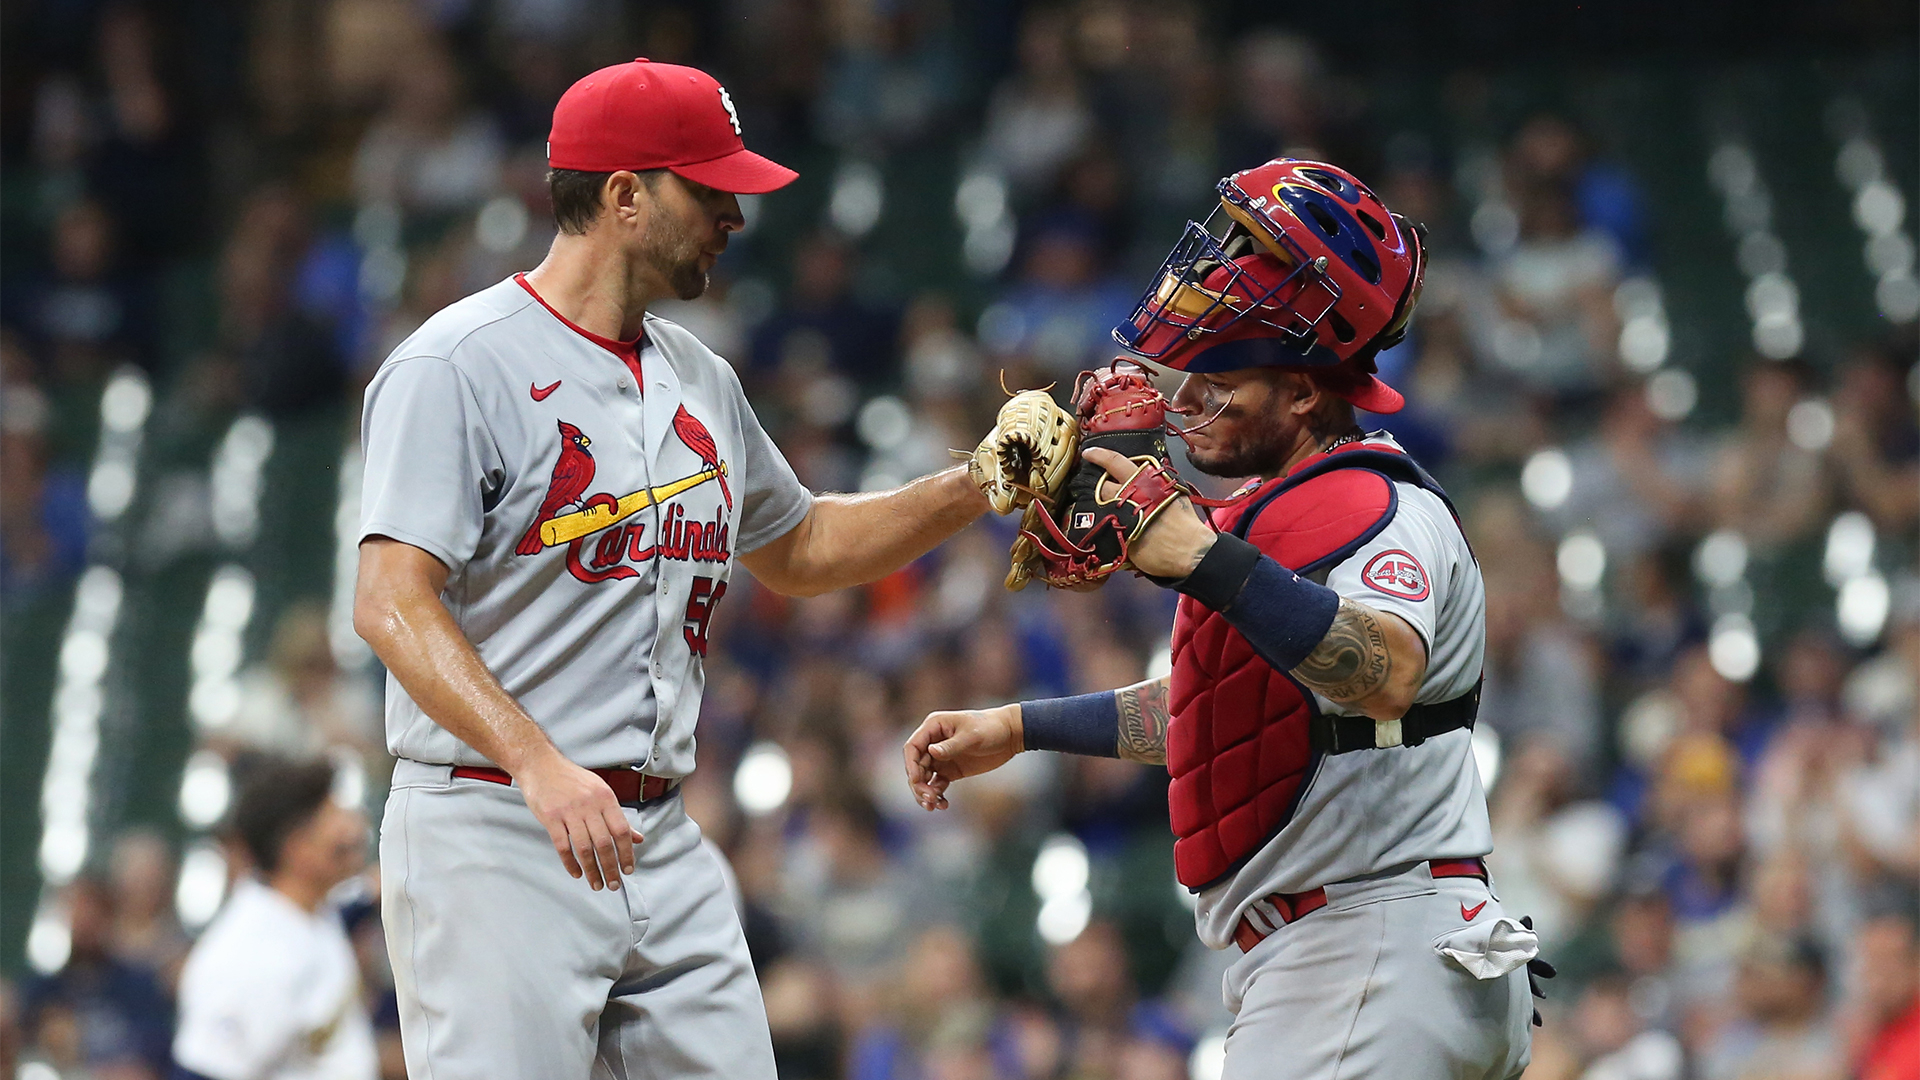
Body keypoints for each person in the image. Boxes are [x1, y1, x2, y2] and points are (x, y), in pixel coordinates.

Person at [351, 59, 1004, 1078]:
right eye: (710, 189)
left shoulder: (702, 375)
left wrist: (981, 482)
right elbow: (390, 601)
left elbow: (803, 549)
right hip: (494, 825)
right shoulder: (456, 365)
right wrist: (533, 758)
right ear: (623, 196)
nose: (734, 216)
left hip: (658, 829)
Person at [906, 159, 1540, 1079]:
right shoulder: (1282, 512)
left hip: (1368, 941)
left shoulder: (1367, 499)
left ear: (1304, 391)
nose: (1187, 399)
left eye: (1221, 375)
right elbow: (1226, 714)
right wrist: (1018, 727)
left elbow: (1387, 671)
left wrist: (1203, 557)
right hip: (1362, 951)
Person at [172, 756, 378, 1080]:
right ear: (297, 847)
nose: (354, 828)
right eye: (335, 816)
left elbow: (354, 904)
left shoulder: (311, 908)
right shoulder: (246, 954)